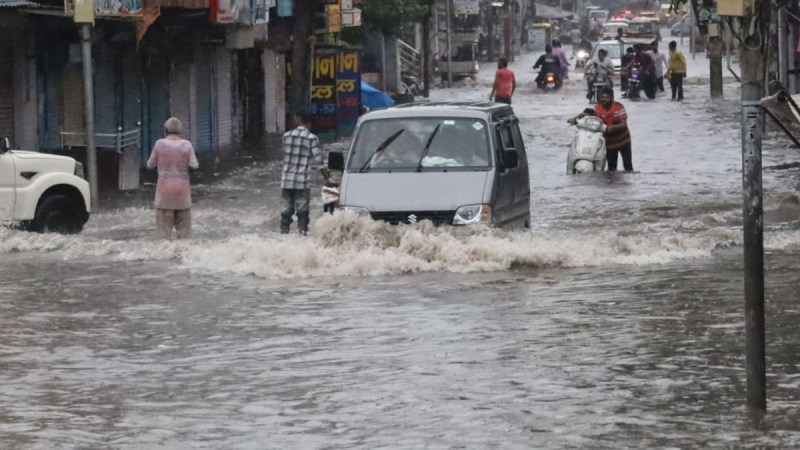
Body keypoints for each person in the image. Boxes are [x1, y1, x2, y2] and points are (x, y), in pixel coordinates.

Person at [146, 117, 199, 239]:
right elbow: (194, 165)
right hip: (183, 194)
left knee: (163, 236)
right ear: (180, 131)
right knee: (184, 235)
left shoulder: (159, 144)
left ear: (165, 130)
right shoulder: (187, 145)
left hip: (164, 194)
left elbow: (150, 164)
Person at [280, 111, 328, 235]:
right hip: (302, 181)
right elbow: (319, 162)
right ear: (309, 122)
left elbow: (285, 156)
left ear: (297, 119)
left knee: (286, 211)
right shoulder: (312, 138)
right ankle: (302, 235)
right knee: (303, 212)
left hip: (286, 181)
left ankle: (283, 235)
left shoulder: (286, 136)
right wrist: (328, 178)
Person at [594, 87, 633, 171]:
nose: (604, 99)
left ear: (612, 98)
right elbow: (588, 116)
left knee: (628, 166)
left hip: (624, 141)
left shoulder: (619, 107)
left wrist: (612, 127)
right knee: (611, 169)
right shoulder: (597, 108)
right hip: (610, 143)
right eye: (602, 97)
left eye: (607, 97)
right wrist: (576, 118)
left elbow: (624, 124)